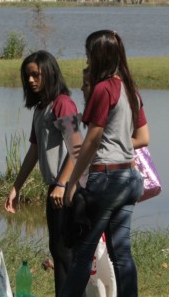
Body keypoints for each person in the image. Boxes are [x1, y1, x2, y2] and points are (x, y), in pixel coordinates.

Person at [62, 30, 149, 297]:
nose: (87, 60)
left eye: (89, 54)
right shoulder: (129, 89)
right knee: (121, 252)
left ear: (98, 56)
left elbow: (93, 138)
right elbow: (143, 137)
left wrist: (72, 181)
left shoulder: (103, 89)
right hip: (129, 178)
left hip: (107, 178)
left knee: (82, 252)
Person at [4, 50, 81, 297]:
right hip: (55, 188)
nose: (31, 81)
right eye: (27, 76)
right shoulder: (41, 107)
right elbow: (34, 150)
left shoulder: (63, 104)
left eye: (36, 75)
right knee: (57, 247)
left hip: (69, 189)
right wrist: (17, 186)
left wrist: (62, 184)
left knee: (65, 249)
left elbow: (76, 150)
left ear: (49, 73)